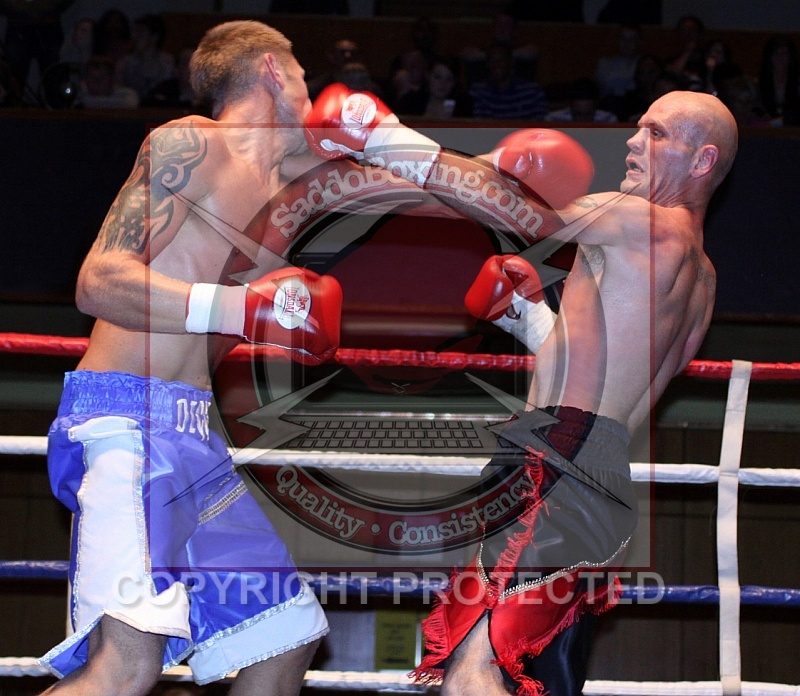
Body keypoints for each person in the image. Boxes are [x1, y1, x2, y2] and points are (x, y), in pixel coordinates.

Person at [304, 86, 737, 695]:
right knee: (530, 674)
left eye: (657, 133)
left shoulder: (639, 220)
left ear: (702, 161)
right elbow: (614, 376)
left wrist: (383, 138)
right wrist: (529, 320)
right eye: (639, 128)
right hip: (600, 473)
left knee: (471, 668)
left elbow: (514, 213)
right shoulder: (702, 277)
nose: (633, 142)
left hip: (552, 464)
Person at [38, 20, 340, 696]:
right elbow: (98, 281)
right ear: (272, 70)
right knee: (127, 664)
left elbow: (210, 330)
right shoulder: (189, 143)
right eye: (300, 69)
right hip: (125, 420)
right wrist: (244, 310)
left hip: (193, 435)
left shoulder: (279, 201)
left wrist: (270, 324)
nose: (310, 85)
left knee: (285, 636)